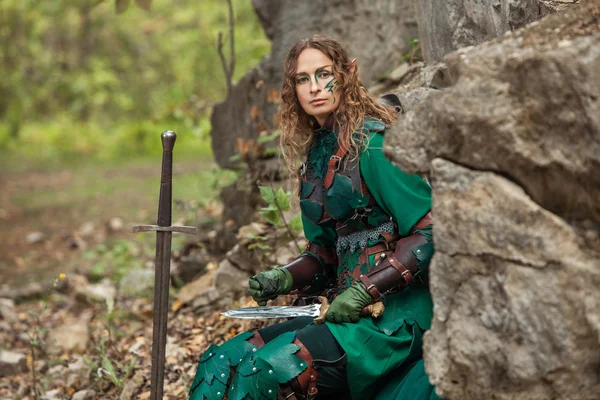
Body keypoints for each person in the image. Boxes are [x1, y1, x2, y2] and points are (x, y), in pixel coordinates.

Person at [189, 35, 441, 400]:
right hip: (338, 309)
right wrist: (283, 276)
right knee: (220, 365)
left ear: (347, 73)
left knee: (280, 367)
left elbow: (429, 232)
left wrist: (363, 291)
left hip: (394, 314)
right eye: (303, 79)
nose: (315, 88)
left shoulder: (373, 144)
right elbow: (324, 256)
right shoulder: (315, 158)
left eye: (325, 74)